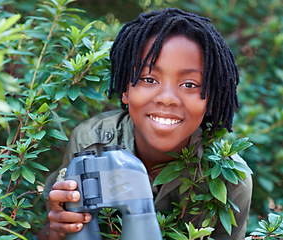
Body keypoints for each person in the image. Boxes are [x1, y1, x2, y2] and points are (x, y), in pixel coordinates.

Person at [38, 8, 252, 240]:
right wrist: (59, 227)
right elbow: (50, 231)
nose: (167, 98)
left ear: (211, 99)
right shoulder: (91, 142)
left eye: (189, 84)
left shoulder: (229, 179)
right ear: (125, 90)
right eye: (149, 79)